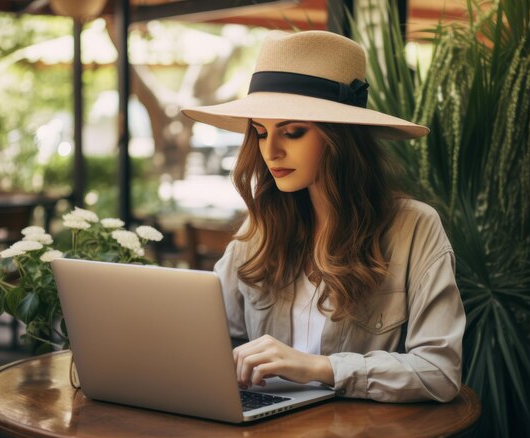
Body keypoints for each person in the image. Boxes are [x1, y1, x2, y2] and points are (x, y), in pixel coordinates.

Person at [182, 30, 465, 403]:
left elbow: (441, 372)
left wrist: (320, 367)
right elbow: (215, 335)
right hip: (260, 433)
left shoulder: (414, 228)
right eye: (261, 132)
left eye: (293, 132)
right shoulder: (260, 228)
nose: (271, 151)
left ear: (341, 138)